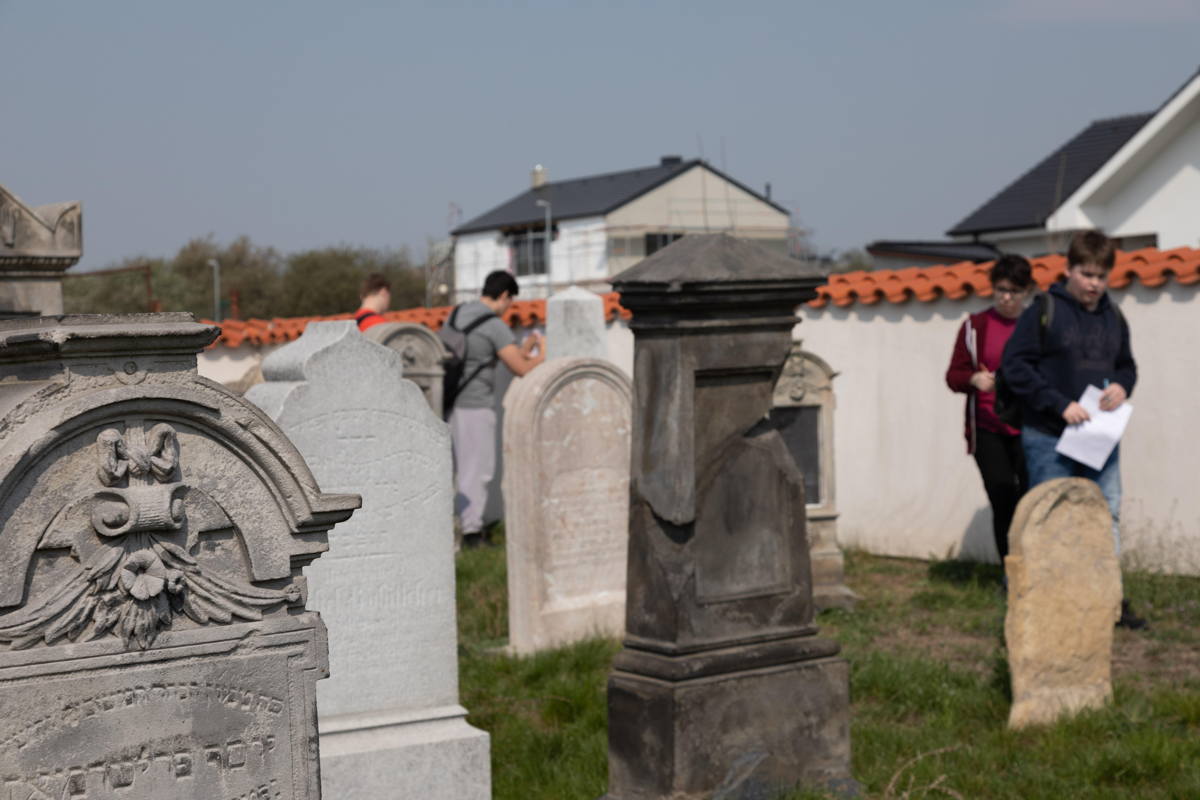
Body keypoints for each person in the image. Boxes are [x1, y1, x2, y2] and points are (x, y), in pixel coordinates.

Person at [1001, 229, 1146, 629]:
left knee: (1106, 516)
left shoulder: (1114, 316)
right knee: (1049, 520)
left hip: (1101, 439)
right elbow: (1015, 367)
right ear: (1068, 269)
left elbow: (1127, 365)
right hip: (1048, 437)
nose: (1094, 284)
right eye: (1086, 274)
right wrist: (1058, 403)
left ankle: (1108, 602)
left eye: (1102, 276)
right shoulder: (1043, 309)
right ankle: (1046, 604)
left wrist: (1122, 385)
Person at [946, 254, 1034, 566]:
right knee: (1002, 495)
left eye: (1014, 291)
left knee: (1031, 498)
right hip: (987, 426)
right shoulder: (974, 327)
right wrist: (973, 378)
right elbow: (953, 376)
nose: (1007, 298)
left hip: (1028, 426)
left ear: (1027, 292)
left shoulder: (1036, 325)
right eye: (1001, 290)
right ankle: (1010, 571)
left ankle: (1033, 567)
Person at [449, 270, 544, 548]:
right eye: (510, 302)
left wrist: (522, 348)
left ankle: (467, 526)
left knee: (461, 468)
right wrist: (545, 354)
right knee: (478, 470)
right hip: (476, 405)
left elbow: (489, 354)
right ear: (504, 296)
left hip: (451, 401)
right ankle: (472, 534)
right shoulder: (493, 324)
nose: (508, 309)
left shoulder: (458, 314)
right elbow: (521, 368)